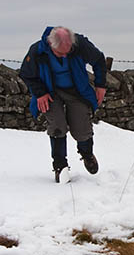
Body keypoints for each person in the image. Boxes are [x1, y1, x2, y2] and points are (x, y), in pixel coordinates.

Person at [20, 26, 107, 182]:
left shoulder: (80, 45)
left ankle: (87, 154)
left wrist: (101, 85)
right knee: (57, 126)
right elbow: (27, 74)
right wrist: (40, 93)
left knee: (82, 128)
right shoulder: (37, 51)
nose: (65, 55)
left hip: (76, 91)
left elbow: (99, 60)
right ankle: (60, 166)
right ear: (50, 45)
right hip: (50, 92)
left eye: (68, 52)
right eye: (60, 53)